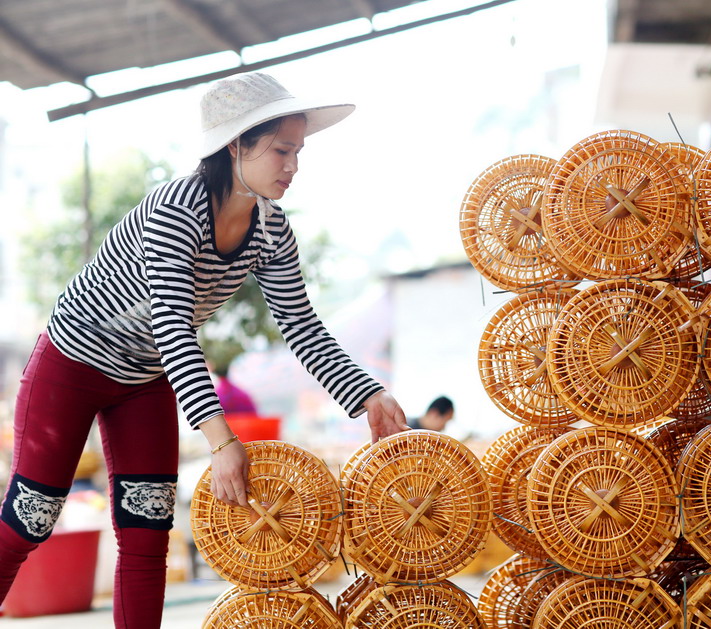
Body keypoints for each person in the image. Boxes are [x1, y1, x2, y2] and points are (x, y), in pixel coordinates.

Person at [0, 71, 408, 627]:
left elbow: (301, 324)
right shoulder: (177, 207)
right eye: (281, 150)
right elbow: (173, 323)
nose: (293, 166)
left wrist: (369, 396)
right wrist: (219, 441)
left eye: (298, 151)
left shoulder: (271, 227)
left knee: (147, 534)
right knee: (32, 520)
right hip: (71, 364)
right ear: (236, 145)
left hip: (145, 380)